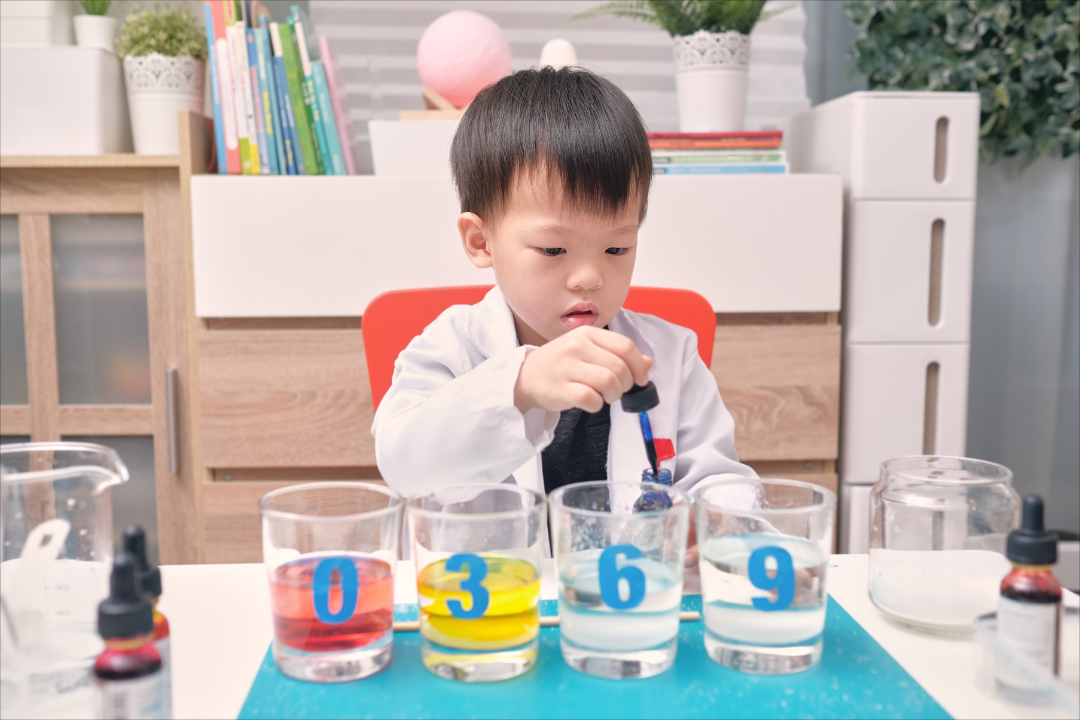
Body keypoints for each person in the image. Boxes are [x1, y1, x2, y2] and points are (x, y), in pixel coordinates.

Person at [372, 67, 756, 537]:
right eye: (553, 250)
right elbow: (404, 464)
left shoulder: (671, 356)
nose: (590, 277)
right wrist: (520, 385)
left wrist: (718, 523)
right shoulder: (449, 349)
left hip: (626, 600)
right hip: (492, 602)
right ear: (480, 242)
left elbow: (719, 479)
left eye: (618, 248)